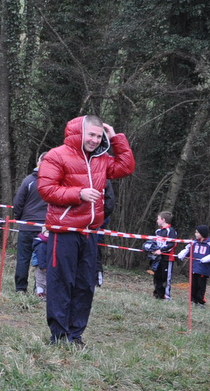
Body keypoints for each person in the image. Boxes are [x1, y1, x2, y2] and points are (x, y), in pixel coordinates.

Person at [38, 115, 135, 345]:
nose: (95, 140)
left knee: (84, 286)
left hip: (90, 232)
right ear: (78, 133)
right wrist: (78, 193)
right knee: (61, 284)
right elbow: (46, 189)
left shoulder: (101, 159)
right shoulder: (56, 155)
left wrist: (116, 138)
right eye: (91, 134)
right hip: (64, 230)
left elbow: (126, 167)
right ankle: (59, 336)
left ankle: (75, 335)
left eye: (99, 136)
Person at [12, 153, 47, 292]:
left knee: (23, 258)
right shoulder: (55, 182)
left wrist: (19, 217)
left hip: (28, 225)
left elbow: (18, 202)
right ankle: (39, 288)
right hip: (45, 227)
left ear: (39, 162)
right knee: (42, 259)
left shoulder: (28, 180)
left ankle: (21, 288)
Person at [177, 225, 210, 308]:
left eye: (197, 232)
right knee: (193, 285)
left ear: (202, 233)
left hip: (203, 269)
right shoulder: (194, 242)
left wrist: (207, 258)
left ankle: (200, 302)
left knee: (201, 286)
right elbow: (187, 249)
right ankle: (193, 301)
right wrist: (182, 254)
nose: (195, 234)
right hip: (193, 268)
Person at [151, 211, 178, 300]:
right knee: (157, 276)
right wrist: (152, 249)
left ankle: (166, 296)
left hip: (167, 258)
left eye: (158, 219)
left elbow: (172, 244)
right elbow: (154, 242)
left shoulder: (171, 231)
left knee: (165, 278)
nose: (157, 220)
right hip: (158, 258)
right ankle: (158, 294)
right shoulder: (158, 231)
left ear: (163, 220)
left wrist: (161, 250)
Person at [32, 227, 49, 299]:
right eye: (48, 232)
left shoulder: (49, 243)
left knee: (46, 280)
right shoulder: (41, 244)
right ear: (43, 232)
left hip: (47, 265)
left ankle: (45, 294)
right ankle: (40, 294)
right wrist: (43, 266)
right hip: (40, 266)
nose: (49, 234)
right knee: (40, 280)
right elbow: (40, 256)